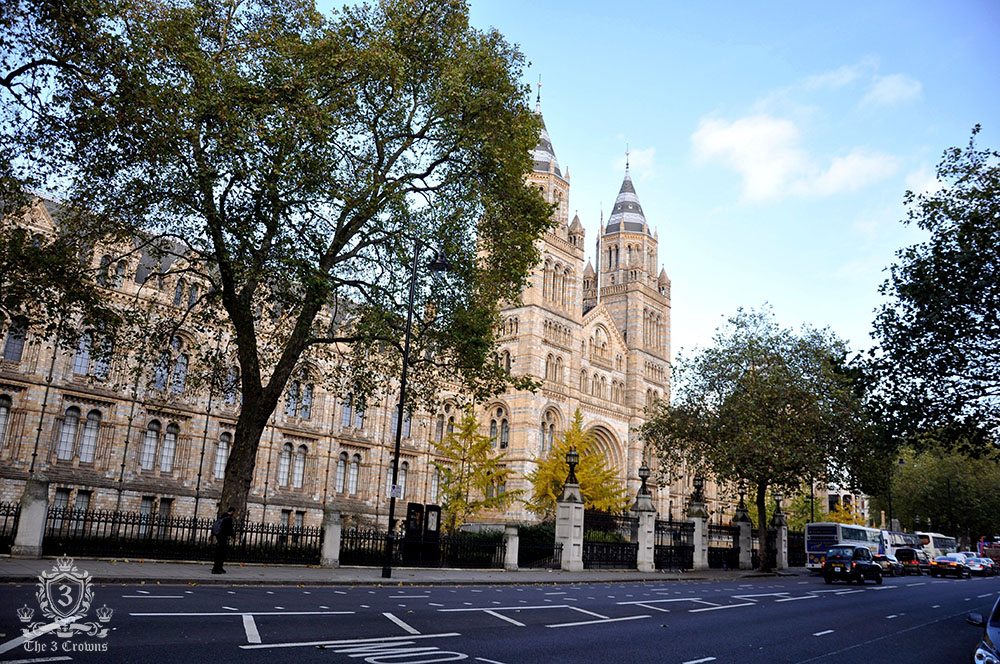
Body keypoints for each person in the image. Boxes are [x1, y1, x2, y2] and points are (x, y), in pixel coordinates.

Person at [212, 507, 236, 574]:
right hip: (223, 537)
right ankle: (216, 569)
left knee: (219, 553)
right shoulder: (228, 518)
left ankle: (219, 567)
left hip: (219, 536)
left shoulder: (222, 517)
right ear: (232, 512)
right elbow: (229, 529)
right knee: (221, 553)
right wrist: (233, 535)